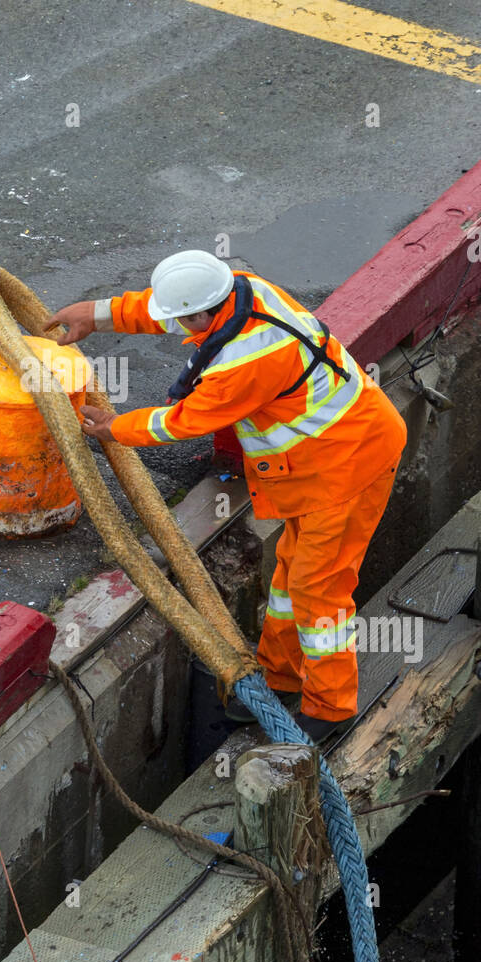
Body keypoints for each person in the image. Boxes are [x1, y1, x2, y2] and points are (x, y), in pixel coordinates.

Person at [44, 250, 407, 743]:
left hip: (346, 470)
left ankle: (331, 706)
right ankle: (279, 680)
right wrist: (97, 313)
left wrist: (114, 428)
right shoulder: (241, 288)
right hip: (325, 463)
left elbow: (183, 422)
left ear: (203, 314)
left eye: (182, 321)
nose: (175, 326)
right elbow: (170, 305)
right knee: (290, 576)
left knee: (319, 590)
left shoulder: (246, 363)